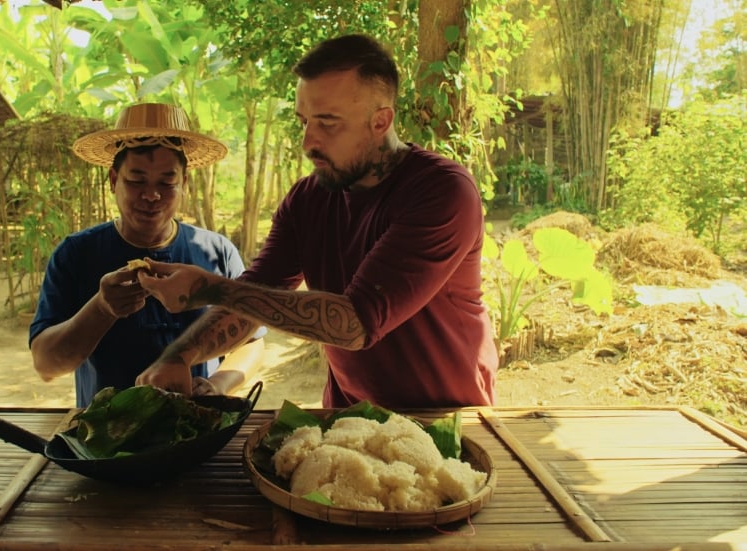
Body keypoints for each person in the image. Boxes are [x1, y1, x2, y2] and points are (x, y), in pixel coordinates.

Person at [134, 34, 498, 409]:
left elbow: (356, 322)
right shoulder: (307, 199)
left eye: (327, 123)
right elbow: (257, 293)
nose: (308, 141)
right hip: (348, 417)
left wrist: (213, 289)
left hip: (448, 417)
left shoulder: (441, 192)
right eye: (304, 121)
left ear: (381, 121)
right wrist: (179, 356)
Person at [29, 103, 264, 407]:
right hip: (108, 441)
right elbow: (46, 365)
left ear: (184, 184)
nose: (151, 195)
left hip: (199, 432)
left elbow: (252, 342)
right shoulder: (76, 255)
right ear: (113, 180)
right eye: (136, 180)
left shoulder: (218, 252)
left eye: (166, 183)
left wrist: (218, 384)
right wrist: (102, 308)